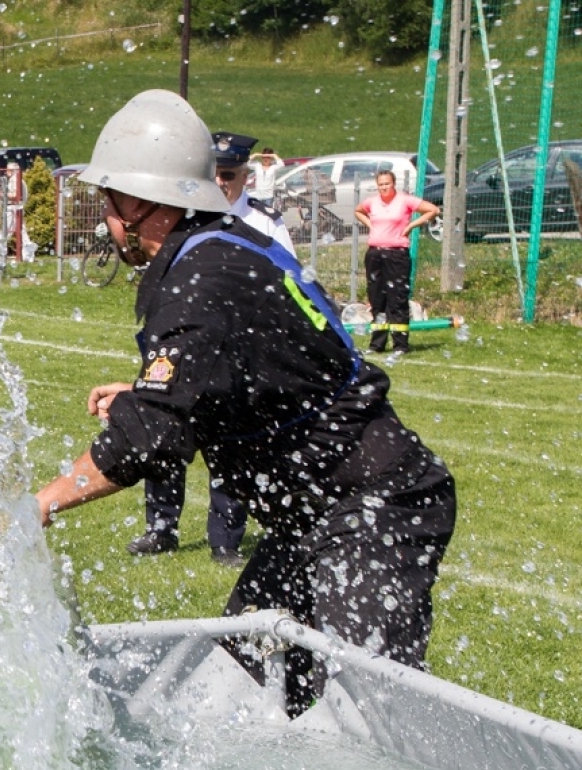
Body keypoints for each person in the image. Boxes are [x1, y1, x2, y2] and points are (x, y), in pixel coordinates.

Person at [34, 90, 456, 713]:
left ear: (142, 199)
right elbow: (273, 358)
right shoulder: (227, 245)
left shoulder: (200, 282)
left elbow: (148, 438)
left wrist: (42, 501)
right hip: (316, 518)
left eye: (108, 198)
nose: (105, 216)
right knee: (247, 674)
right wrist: (157, 387)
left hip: (373, 511)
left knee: (372, 716)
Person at [128, 130, 288, 567]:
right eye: (214, 174)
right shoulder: (188, 218)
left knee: (232, 445)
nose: (222, 183)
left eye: (230, 175)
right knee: (163, 429)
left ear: (245, 176)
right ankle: (160, 529)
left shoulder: (265, 224)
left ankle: (226, 541)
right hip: (183, 341)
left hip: (234, 354)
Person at [354, 170, 438, 355]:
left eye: (387, 184)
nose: (384, 187)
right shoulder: (372, 202)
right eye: (381, 184)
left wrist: (411, 226)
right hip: (375, 253)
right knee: (377, 298)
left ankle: (400, 345)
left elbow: (433, 210)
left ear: (394, 184)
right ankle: (377, 344)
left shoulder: (405, 200)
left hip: (397, 254)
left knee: (397, 298)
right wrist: (370, 225)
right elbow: (358, 211)